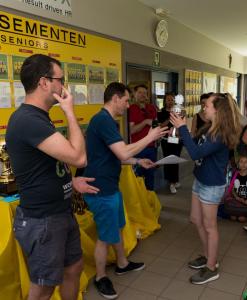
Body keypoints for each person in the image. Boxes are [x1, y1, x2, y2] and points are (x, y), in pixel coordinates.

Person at [5, 54, 99, 300]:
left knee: (74, 268)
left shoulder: (38, 117)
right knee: (44, 287)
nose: (64, 86)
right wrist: (70, 112)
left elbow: (49, 164)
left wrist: (71, 182)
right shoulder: (28, 120)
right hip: (43, 220)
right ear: (44, 82)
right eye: (60, 80)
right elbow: (79, 158)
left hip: (59, 213)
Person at [83, 82, 168, 299]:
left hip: (110, 186)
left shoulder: (108, 121)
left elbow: (116, 155)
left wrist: (139, 161)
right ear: (115, 98)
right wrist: (150, 137)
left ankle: (122, 263)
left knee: (119, 226)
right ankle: (101, 277)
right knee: (104, 236)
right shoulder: (102, 120)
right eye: (126, 100)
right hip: (100, 189)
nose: (128, 104)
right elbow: (121, 153)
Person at [170, 93, 242, 284]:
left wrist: (182, 128)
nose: (204, 108)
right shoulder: (210, 128)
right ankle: (207, 254)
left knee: (210, 227)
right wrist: (179, 132)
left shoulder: (220, 134)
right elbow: (195, 145)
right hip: (200, 179)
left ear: (218, 110)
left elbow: (194, 153)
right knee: (195, 219)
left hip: (211, 185)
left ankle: (212, 267)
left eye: (207, 106)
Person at [128, 84, 158, 190]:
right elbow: (131, 130)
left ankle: (150, 202)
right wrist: (145, 122)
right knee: (138, 177)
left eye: (144, 93)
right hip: (138, 148)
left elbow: (156, 126)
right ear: (134, 94)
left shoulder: (152, 108)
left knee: (150, 176)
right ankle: (140, 203)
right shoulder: (131, 108)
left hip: (151, 148)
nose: (142, 95)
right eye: (139, 92)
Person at [157, 92, 183, 194]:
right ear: (164, 101)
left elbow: (181, 125)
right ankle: (171, 182)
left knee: (175, 160)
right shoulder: (161, 112)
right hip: (166, 140)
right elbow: (161, 126)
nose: (170, 102)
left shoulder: (178, 111)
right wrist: (170, 117)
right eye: (168, 100)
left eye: (172, 99)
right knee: (168, 160)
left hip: (177, 139)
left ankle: (175, 180)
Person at [224, 154, 247, 222]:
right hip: (237, 201)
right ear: (238, 164)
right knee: (233, 218)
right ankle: (243, 213)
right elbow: (233, 189)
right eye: (241, 162)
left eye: (246, 162)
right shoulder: (235, 174)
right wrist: (237, 197)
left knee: (241, 219)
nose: (243, 164)